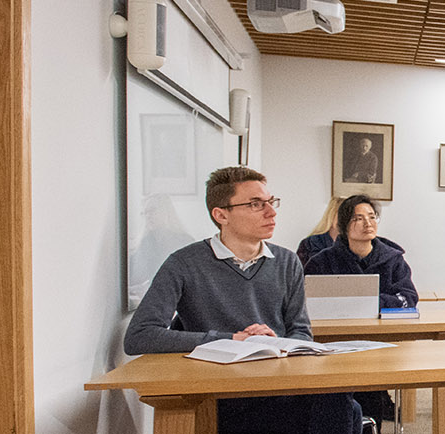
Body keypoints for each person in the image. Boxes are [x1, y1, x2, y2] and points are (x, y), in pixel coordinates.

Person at [124, 166, 361, 434]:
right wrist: (231, 340)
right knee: (341, 410)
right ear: (221, 214)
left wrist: (275, 342)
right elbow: (139, 336)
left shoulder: (287, 261)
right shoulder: (183, 263)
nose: (271, 212)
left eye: (271, 202)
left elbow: (301, 332)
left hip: (279, 382)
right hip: (220, 390)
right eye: (255, 204)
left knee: (340, 397)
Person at [304, 194, 419, 422]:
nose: (368, 223)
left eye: (372, 217)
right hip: (333, 345)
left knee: (372, 391)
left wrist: (369, 303)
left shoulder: (394, 259)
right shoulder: (321, 261)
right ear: (344, 226)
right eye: (358, 218)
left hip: (381, 343)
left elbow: (408, 298)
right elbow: (308, 302)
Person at [296, 196, 346, 267]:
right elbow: (298, 273)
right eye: (342, 214)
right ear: (331, 215)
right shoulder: (310, 243)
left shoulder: (356, 244)